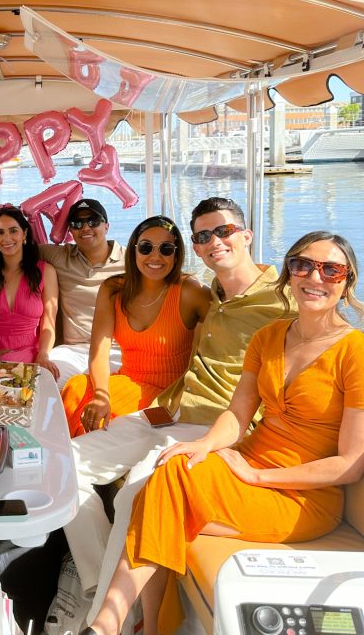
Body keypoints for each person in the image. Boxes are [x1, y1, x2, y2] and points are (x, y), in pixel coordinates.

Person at [82, 231, 364, 635]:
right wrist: (203, 444)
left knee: (164, 496)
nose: (314, 277)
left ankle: (116, 624)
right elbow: (237, 413)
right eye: (303, 265)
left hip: (302, 496)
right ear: (289, 273)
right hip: (245, 466)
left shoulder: (355, 351)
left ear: (347, 280)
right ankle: (130, 625)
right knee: (172, 469)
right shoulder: (270, 336)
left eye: (330, 270)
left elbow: (350, 465)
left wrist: (258, 476)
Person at [63, 197, 296, 620]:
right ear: (198, 247)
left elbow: (320, 354)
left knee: (136, 493)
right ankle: (94, 576)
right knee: (61, 467)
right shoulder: (214, 293)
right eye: (204, 236)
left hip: (214, 423)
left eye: (224, 231)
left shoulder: (281, 300)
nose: (215, 241)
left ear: (246, 236)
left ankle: (107, 620)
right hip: (168, 409)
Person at [62, 215, 211, 436]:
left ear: (177, 254)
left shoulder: (191, 291)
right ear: (134, 250)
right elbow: (99, 352)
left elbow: (229, 327)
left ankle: (77, 450)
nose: (155, 256)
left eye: (166, 249)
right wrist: (101, 395)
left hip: (168, 398)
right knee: (75, 389)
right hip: (127, 381)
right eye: (146, 247)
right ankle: (64, 452)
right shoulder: (113, 289)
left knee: (107, 420)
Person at [39, 199, 125, 389]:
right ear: (71, 231)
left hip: (116, 349)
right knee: (45, 378)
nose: (85, 228)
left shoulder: (131, 261)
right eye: (77, 223)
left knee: (117, 387)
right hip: (74, 350)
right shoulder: (60, 256)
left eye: (93, 221)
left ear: (106, 226)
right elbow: (15, 249)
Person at [0, 206, 59, 376]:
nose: (7, 238)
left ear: (24, 234)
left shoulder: (46, 272)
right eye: (0, 232)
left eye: (13, 231)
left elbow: (49, 324)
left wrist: (43, 354)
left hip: (28, 356)